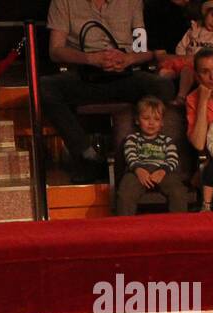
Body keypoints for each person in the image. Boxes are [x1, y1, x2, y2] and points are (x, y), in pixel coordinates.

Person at [43, 0, 173, 183]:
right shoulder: (63, 2)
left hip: (124, 74)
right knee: (45, 88)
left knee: (163, 86)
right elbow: (55, 50)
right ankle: (86, 155)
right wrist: (90, 58)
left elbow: (146, 51)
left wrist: (129, 59)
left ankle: (148, 153)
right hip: (85, 74)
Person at [115, 96, 190, 214]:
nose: (151, 123)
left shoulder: (167, 140)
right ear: (137, 120)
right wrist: (138, 169)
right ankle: (124, 226)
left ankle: (179, 225)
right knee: (125, 193)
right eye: (146, 118)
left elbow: (173, 158)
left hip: (162, 171)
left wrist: (163, 171)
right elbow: (130, 155)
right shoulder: (132, 139)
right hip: (138, 171)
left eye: (156, 119)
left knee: (178, 192)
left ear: (162, 123)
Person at [158, 0, 213, 105]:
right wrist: (181, 56)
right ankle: (176, 89)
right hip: (189, 62)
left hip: (210, 66)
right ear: (206, 13)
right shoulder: (195, 28)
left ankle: (182, 96)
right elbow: (183, 44)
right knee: (173, 70)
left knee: (191, 71)